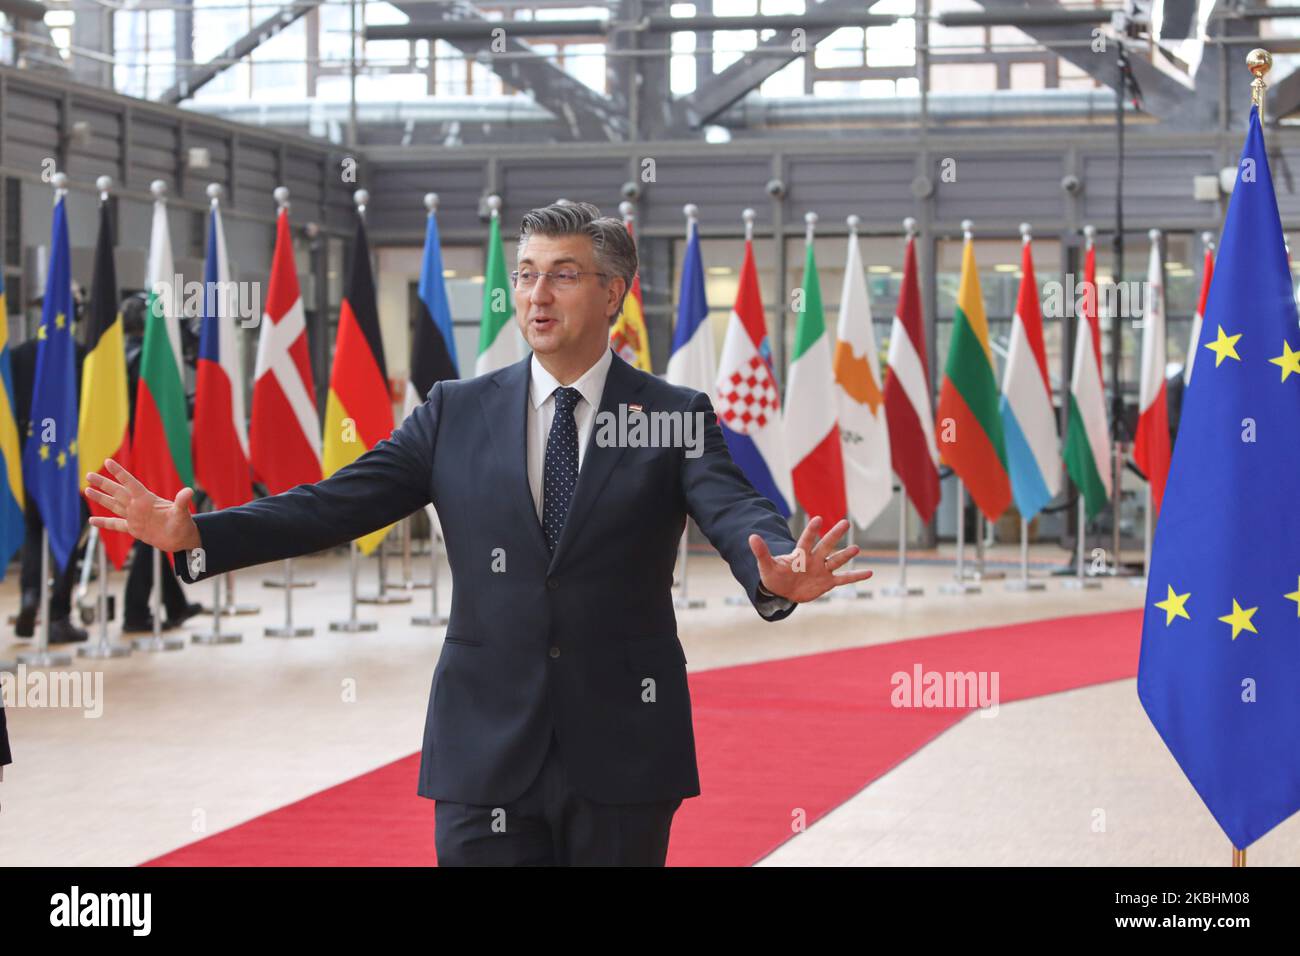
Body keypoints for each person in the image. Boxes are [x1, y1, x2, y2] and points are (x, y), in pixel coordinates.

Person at [85, 201, 871, 866]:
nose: (536, 294)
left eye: (562, 274)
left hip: (625, 748)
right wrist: (199, 535)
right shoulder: (454, 412)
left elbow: (734, 509)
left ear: (613, 294)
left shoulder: (672, 413)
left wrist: (771, 572)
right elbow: (332, 504)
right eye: (526, 274)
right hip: (482, 751)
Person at [117, 293, 201, 632]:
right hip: (148, 455)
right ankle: (135, 613)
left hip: (129, 453)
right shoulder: (145, 360)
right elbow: (161, 410)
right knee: (150, 532)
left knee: (153, 530)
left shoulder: (118, 355)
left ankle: (175, 604)